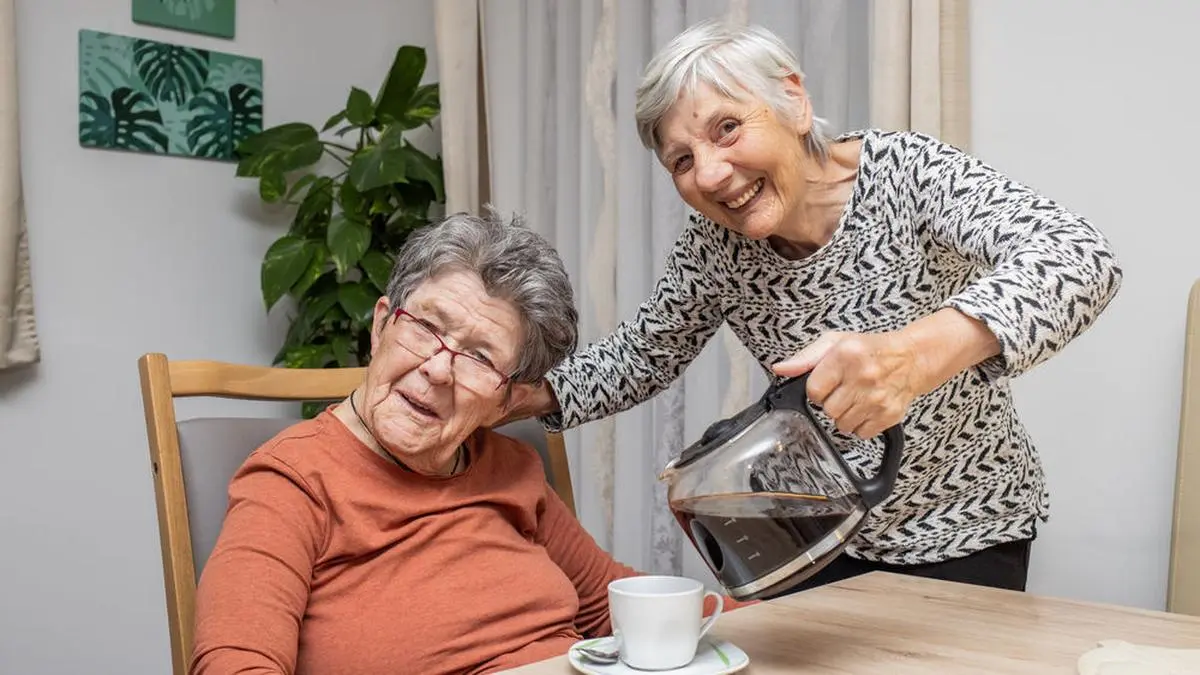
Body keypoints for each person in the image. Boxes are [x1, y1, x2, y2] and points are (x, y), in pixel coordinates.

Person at [509, 19, 1124, 594]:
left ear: (794, 102)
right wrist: (525, 395)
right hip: (813, 532)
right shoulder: (712, 247)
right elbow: (645, 352)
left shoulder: (907, 175)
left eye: (727, 128)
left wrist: (911, 356)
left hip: (967, 524)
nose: (714, 174)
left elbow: (1078, 257)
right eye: (682, 160)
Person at [189, 211, 740, 675]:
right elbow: (235, 664)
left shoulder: (511, 469)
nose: (437, 370)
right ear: (381, 326)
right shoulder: (293, 481)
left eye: (479, 356)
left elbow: (618, 603)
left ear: (507, 401)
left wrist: (785, 621)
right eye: (426, 327)